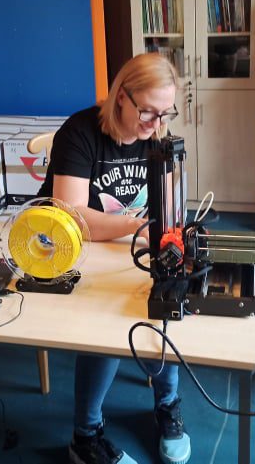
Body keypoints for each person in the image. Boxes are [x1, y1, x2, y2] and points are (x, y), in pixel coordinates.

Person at [37, 52, 191, 464]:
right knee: (104, 323)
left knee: (167, 301)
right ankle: (85, 436)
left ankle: (167, 406)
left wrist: (164, 231)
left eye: (165, 113)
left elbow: (168, 207)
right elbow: (71, 214)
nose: (156, 124)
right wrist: (139, 226)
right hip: (74, 249)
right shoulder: (80, 132)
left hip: (128, 246)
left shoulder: (158, 135)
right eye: (147, 111)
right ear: (121, 95)